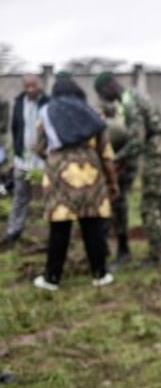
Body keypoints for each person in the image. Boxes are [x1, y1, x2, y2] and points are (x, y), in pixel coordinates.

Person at [32, 76, 118, 290]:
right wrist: (112, 181)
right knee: (92, 225)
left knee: (60, 227)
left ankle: (52, 278)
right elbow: (106, 154)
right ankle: (100, 274)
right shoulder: (94, 115)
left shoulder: (46, 114)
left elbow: (39, 147)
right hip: (91, 175)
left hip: (59, 177)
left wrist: (54, 159)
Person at [93, 72, 161, 266]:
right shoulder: (135, 95)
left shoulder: (130, 104)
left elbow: (136, 142)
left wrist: (114, 160)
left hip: (156, 153)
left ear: (108, 87)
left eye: (101, 93)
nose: (103, 98)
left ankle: (156, 257)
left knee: (150, 206)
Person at [2, 74, 49, 247]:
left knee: (48, 195)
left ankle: (52, 233)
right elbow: (15, 128)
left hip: (43, 158)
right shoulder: (19, 103)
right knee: (20, 196)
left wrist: (45, 148)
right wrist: (16, 151)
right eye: (27, 86)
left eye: (33, 86)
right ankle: (13, 230)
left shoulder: (47, 103)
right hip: (23, 159)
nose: (30, 90)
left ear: (39, 85)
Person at [100, 99, 138, 264]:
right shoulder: (118, 125)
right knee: (116, 209)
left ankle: (120, 250)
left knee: (114, 209)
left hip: (118, 172)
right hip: (120, 171)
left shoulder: (111, 128)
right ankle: (116, 248)